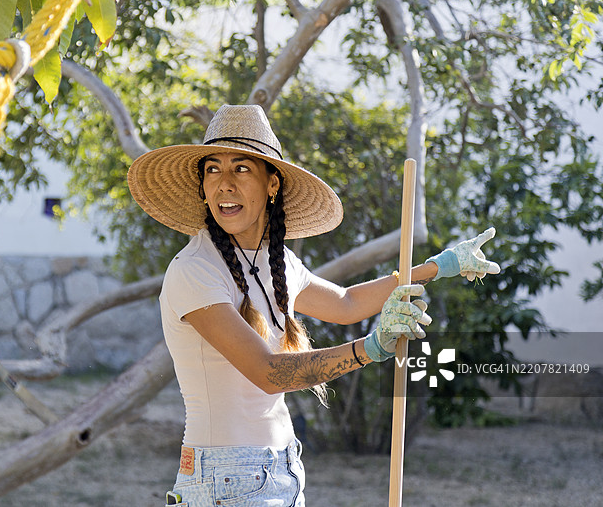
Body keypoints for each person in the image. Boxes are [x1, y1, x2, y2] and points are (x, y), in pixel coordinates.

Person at [127, 105, 500, 507]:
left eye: (241, 168)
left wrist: (438, 267)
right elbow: (268, 373)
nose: (224, 184)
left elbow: (347, 302)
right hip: (223, 481)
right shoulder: (193, 270)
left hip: (284, 469)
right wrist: (372, 348)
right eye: (213, 169)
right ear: (202, 186)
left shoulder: (275, 260)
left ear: (272, 185)